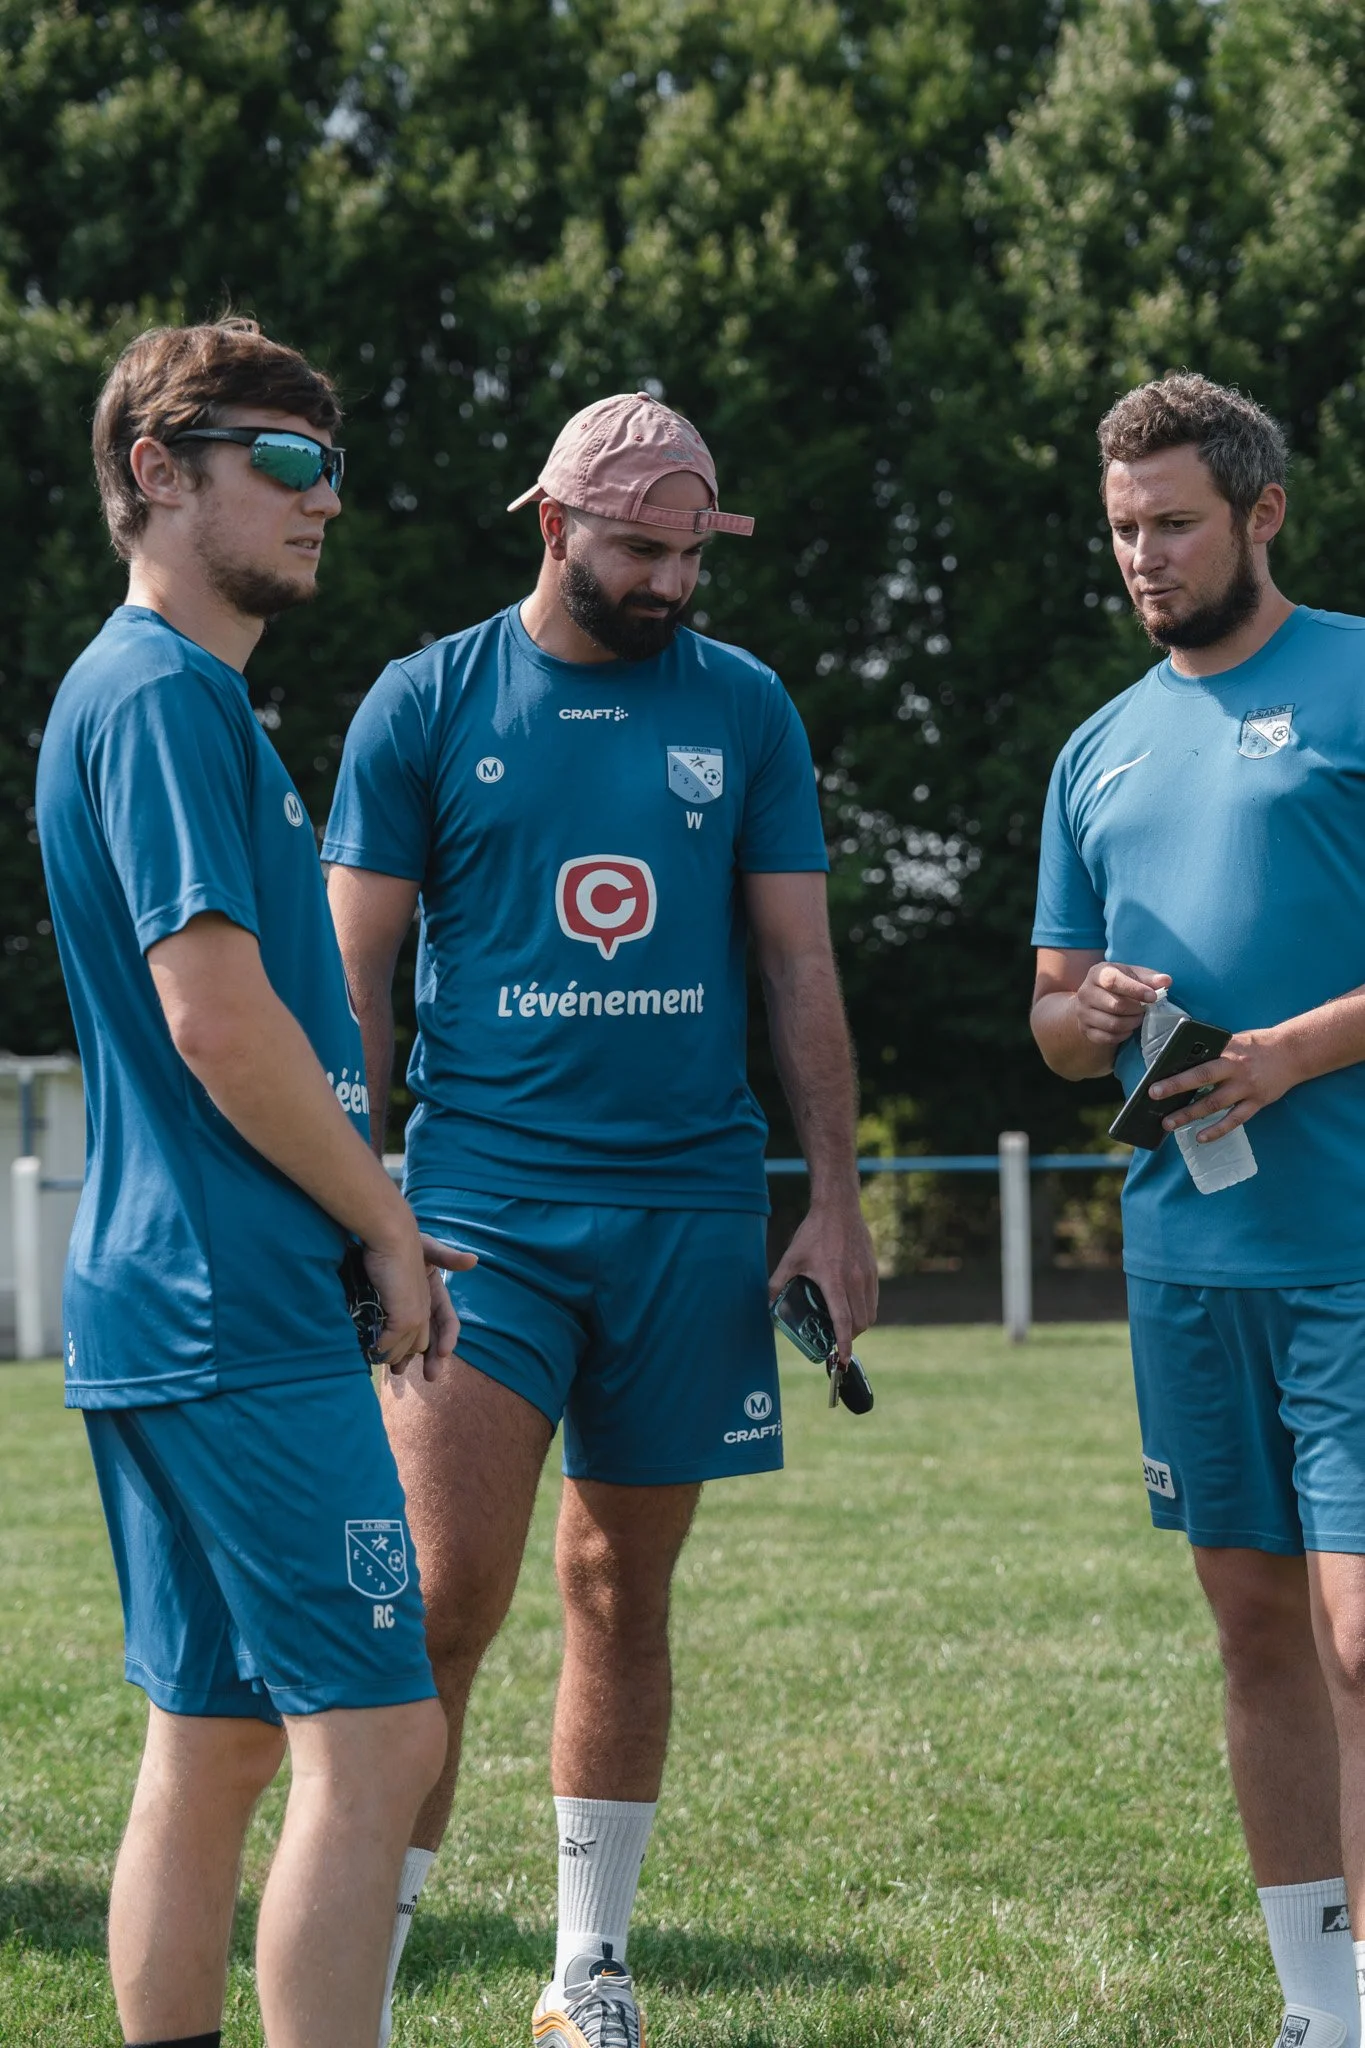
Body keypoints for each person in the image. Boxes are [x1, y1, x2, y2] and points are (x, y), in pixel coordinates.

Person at [323, 390, 878, 2047]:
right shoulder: (428, 700)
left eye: (694, 552)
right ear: (553, 527)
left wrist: (833, 1201)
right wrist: (367, 1206)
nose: (672, 583)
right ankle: (369, 1955)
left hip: (691, 1216)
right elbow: (356, 979)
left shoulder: (748, 708)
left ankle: (587, 1974)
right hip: (481, 1213)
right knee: (437, 1595)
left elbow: (797, 965)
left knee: (623, 1594)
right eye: (641, 548)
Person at [35, 316, 472, 2048]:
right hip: (229, 1307)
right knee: (376, 1740)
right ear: (157, 472)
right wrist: (388, 1222)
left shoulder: (176, 698)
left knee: (209, 1743)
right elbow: (218, 1021)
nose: (322, 502)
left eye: (332, 469)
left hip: (175, 1300)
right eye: (282, 462)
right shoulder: (156, 697)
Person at [1031, 370, 1365, 2048]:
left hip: (1354, 1253)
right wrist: (1082, 1018)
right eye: (1121, 531)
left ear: (1262, 515)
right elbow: (1048, 1003)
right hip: (1187, 1257)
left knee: (1361, 1632)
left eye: (1172, 523)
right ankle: (1320, 2011)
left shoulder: (1361, 679)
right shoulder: (1097, 747)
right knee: (1253, 1624)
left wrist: (1299, 1051)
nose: (1144, 558)